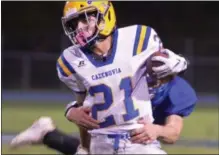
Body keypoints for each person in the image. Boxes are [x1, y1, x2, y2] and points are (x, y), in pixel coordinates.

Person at [11, 1, 189, 154]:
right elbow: (84, 109)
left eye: (86, 18)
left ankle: (47, 134)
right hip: (101, 142)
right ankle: (47, 134)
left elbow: (170, 65)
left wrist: (177, 63)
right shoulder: (70, 60)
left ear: (105, 15)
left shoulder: (140, 39)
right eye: (74, 23)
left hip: (138, 141)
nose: (79, 27)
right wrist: (74, 117)